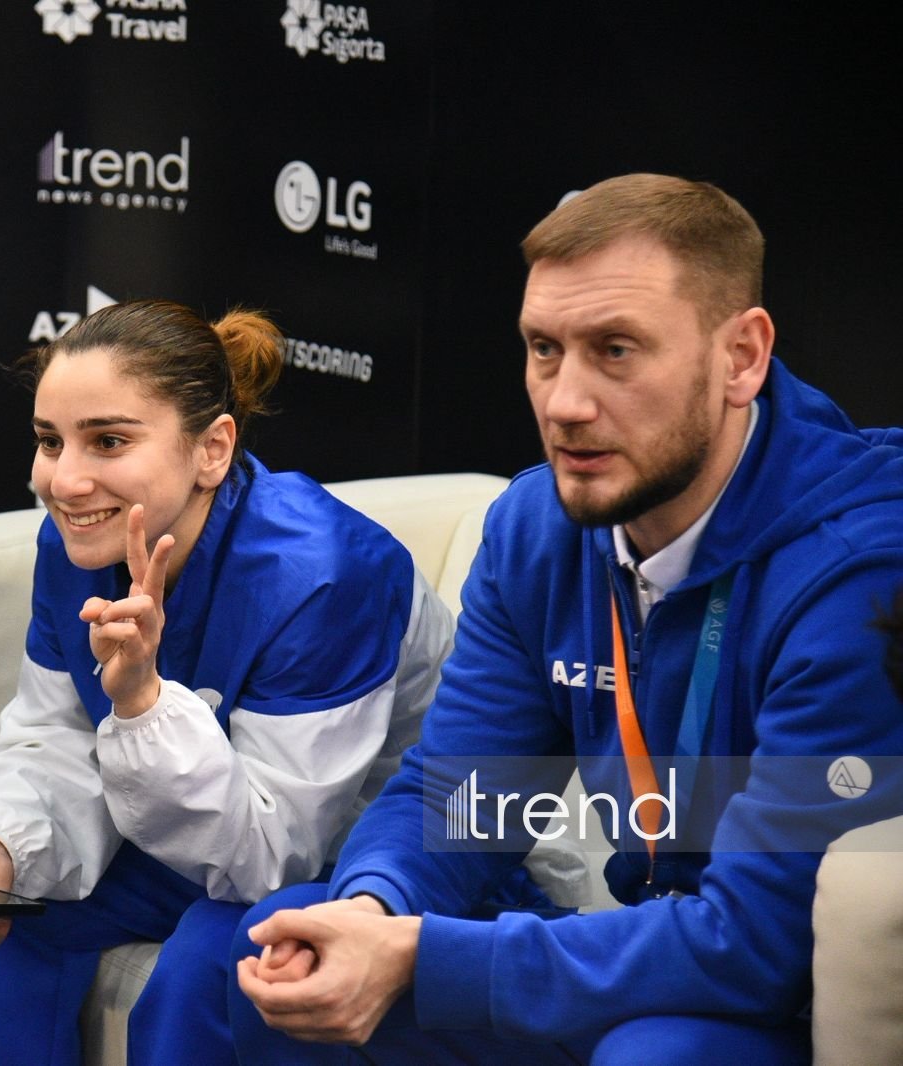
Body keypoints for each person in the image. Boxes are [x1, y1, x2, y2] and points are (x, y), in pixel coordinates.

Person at [232, 173, 903, 1063]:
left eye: (616, 350)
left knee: (656, 1055)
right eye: (544, 349)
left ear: (741, 357)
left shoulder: (858, 570)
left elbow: (760, 946)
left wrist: (426, 957)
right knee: (275, 967)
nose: (565, 403)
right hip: (647, 956)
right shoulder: (540, 528)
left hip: (786, 999)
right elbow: (461, 800)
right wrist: (373, 910)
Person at [0, 299, 456, 1065]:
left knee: (219, 955)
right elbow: (59, 735)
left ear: (212, 450)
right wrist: (2, 845)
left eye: (107, 440)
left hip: (376, 847)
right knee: (10, 917)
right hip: (219, 829)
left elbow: (275, 854)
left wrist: (138, 705)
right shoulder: (77, 541)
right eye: (48, 441)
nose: (65, 480)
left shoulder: (324, 574)